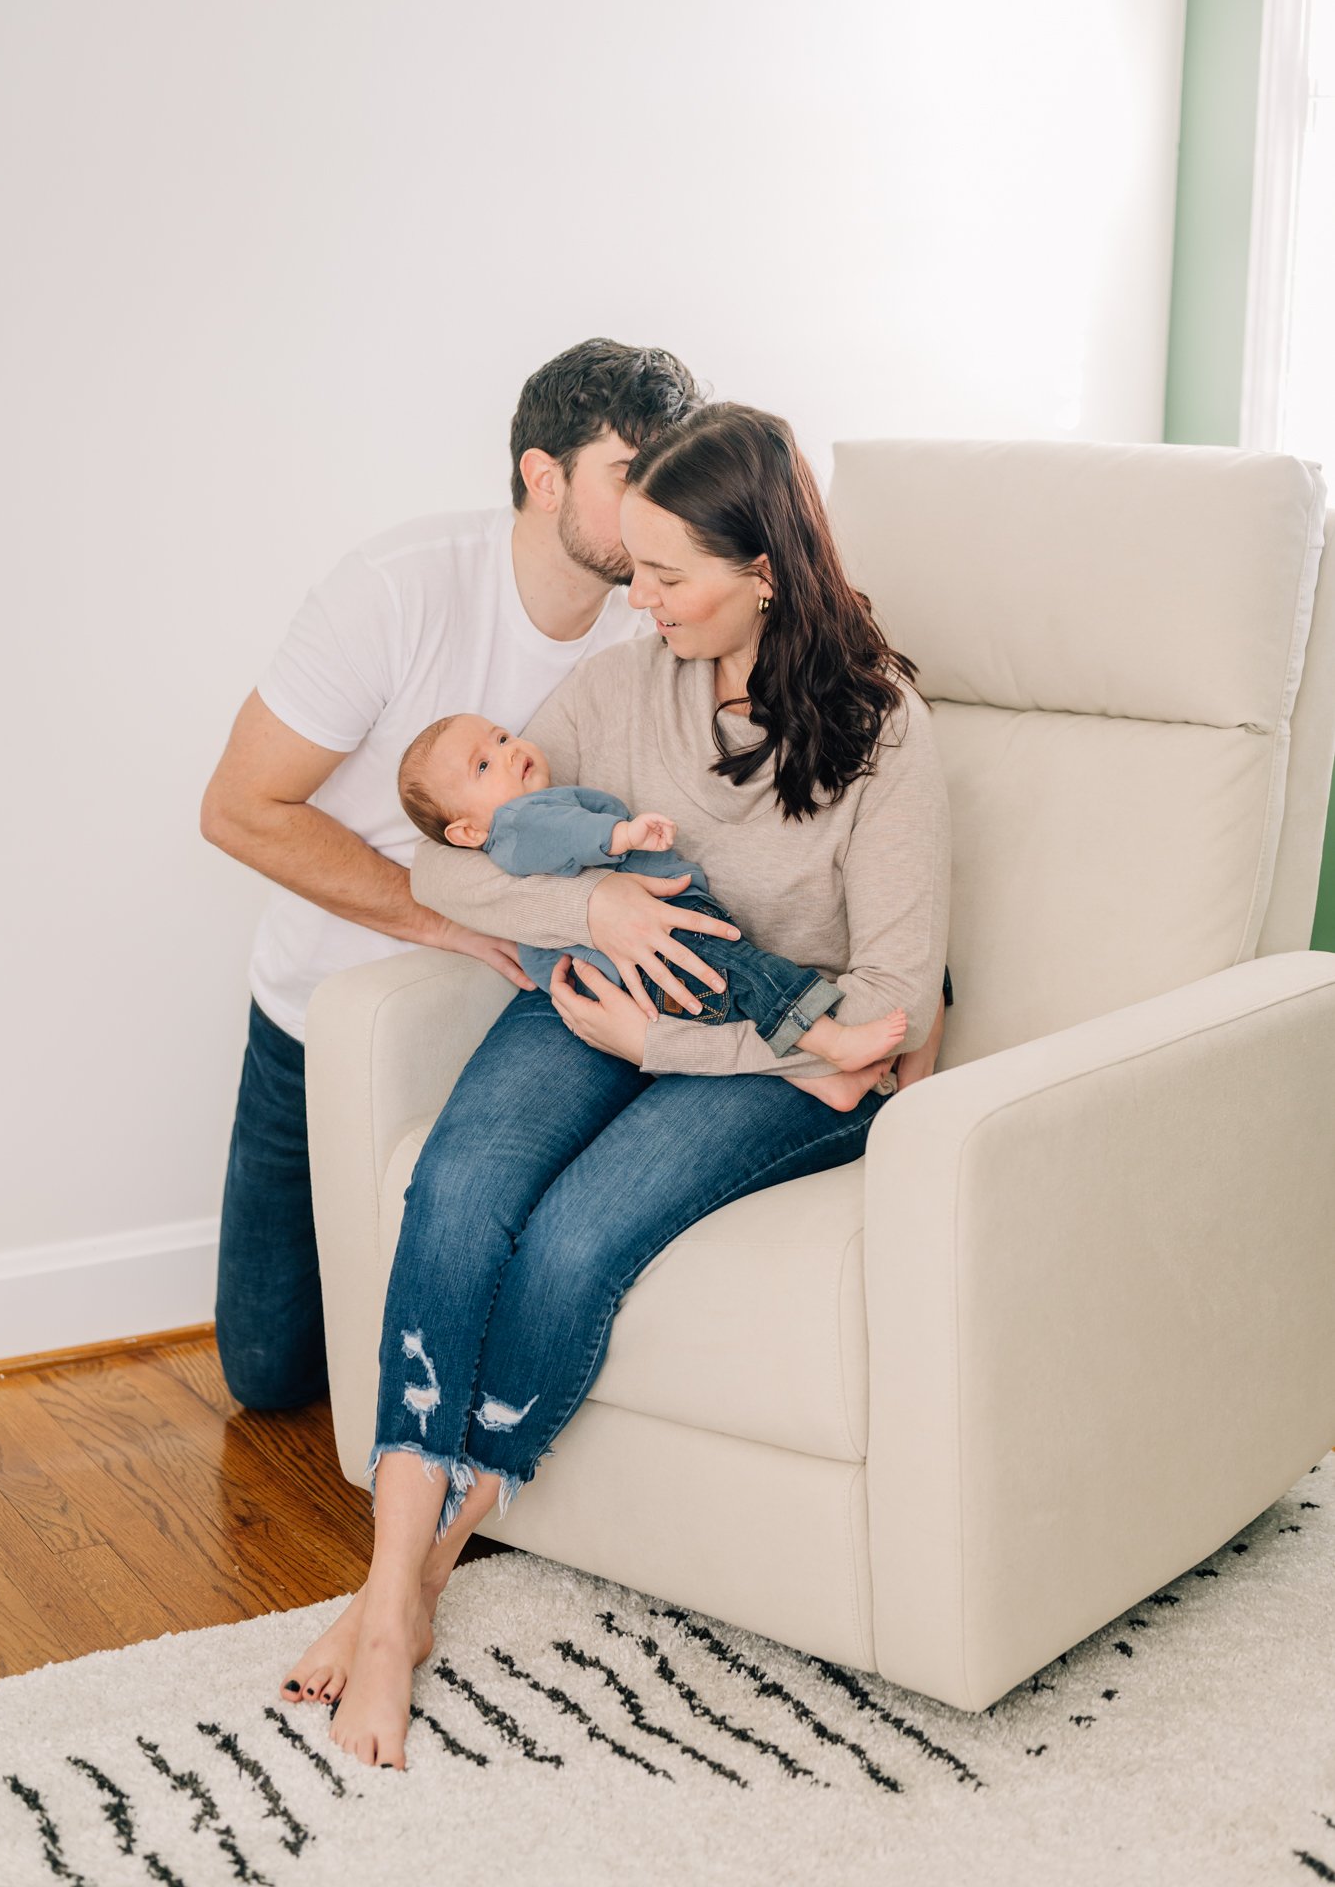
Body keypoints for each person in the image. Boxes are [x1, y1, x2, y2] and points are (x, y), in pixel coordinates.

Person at [280, 400, 954, 1769]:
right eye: (630, 567)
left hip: (759, 1050)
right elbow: (456, 860)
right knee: (459, 1184)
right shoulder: (615, 685)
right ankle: (389, 1586)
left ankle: (421, 1578)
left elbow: (884, 1010)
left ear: (761, 570)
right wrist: (596, 916)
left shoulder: (882, 737)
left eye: (665, 577)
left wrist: (672, 1049)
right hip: (602, 994)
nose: (633, 602)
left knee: (579, 1234)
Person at [199, 339, 704, 1411]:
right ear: (543, 474)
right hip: (326, 1010)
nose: (663, 504)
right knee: (269, 1373)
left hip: (539, 1014)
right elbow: (238, 807)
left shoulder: (661, 607)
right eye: (633, 474)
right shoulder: (396, 590)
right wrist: (441, 923)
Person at [396, 711, 912, 1075]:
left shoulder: (514, 826)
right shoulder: (518, 823)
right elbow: (568, 836)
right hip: (665, 933)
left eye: (502, 738)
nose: (507, 754)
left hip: (631, 969)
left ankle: (814, 1079)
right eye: (482, 766)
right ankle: (833, 1045)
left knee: (734, 1002)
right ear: (465, 833)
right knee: (754, 977)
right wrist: (622, 837)